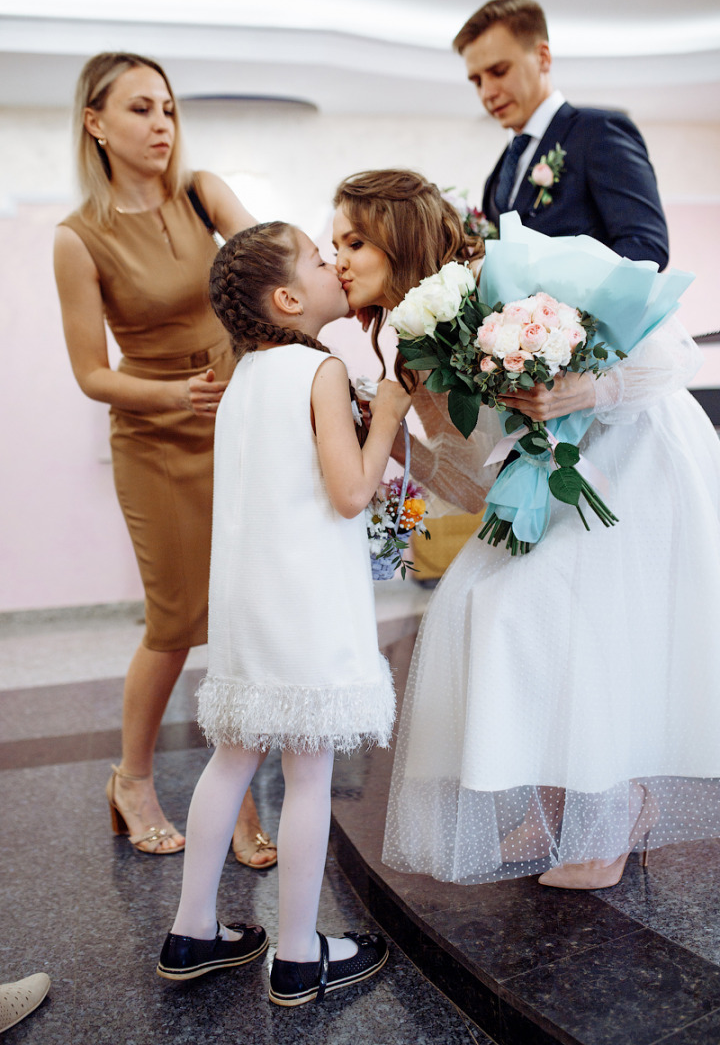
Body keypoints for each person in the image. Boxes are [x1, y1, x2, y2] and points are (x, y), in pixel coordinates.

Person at [333, 168, 720, 890]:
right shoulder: (416, 351)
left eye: (354, 241)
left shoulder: (510, 268)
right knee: (484, 603)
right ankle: (554, 795)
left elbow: (670, 352)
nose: (339, 261)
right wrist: (388, 440)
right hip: (547, 477)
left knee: (544, 611)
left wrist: (585, 387)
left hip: (632, 454)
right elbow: (474, 482)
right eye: (333, 247)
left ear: (400, 236)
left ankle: (613, 809)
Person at [157, 221, 404, 1003]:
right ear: (291, 298)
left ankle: (193, 929)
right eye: (316, 255)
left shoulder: (245, 379)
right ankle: (300, 954)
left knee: (232, 758)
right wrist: (390, 413)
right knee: (308, 772)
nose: (336, 261)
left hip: (245, 601)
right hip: (305, 603)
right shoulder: (318, 369)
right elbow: (351, 492)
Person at [53, 52, 275, 866]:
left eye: (169, 110)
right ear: (96, 123)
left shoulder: (201, 192)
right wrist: (177, 397)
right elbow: (90, 373)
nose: (161, 126)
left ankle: (239, 791)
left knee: (241, 616)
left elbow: (268, 268)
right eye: (141, 109)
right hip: (155, 435)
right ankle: (133, 779)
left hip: (234, 422)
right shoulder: (79, 239)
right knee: (178, 622)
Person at [454, 0, 669, 268]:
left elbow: (646, 246)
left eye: (499, 71)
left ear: (543, 58)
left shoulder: (598, 132)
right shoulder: (496, 177)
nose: (487, 93)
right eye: (477, 81)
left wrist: (558, 303)